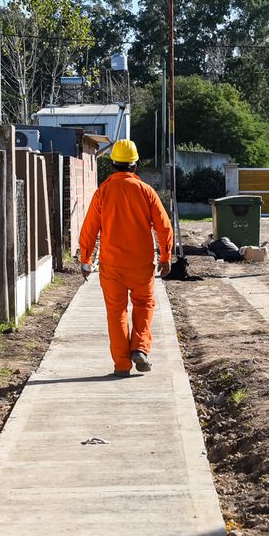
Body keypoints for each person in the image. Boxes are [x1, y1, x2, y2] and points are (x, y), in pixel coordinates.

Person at [77, 139, 174, 375]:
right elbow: (164, 227)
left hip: (111, 266)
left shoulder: (103, 192)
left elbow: (89, 229)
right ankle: (140, 347)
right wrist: (165, 256)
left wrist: (86, 259)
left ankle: (121, 365)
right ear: (135, 165)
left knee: (116, 313)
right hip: (141, 264)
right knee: (144, 305)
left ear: (112, 165)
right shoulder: (146, 191)